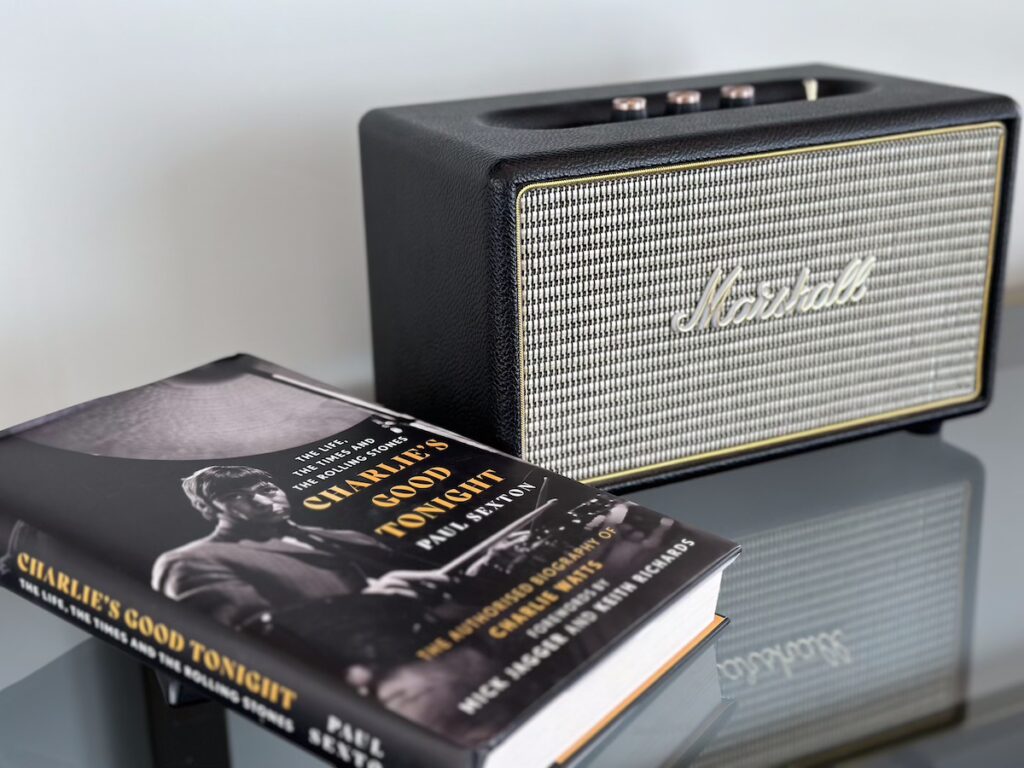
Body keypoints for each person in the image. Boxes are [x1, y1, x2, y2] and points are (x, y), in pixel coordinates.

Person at [151, 465, 445, 628]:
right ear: (207, 508)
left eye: (267, 490)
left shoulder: (346, 537)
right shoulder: (190, 561)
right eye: (236, 496)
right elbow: (252, 635)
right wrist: (370, 603)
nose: (263, 502)